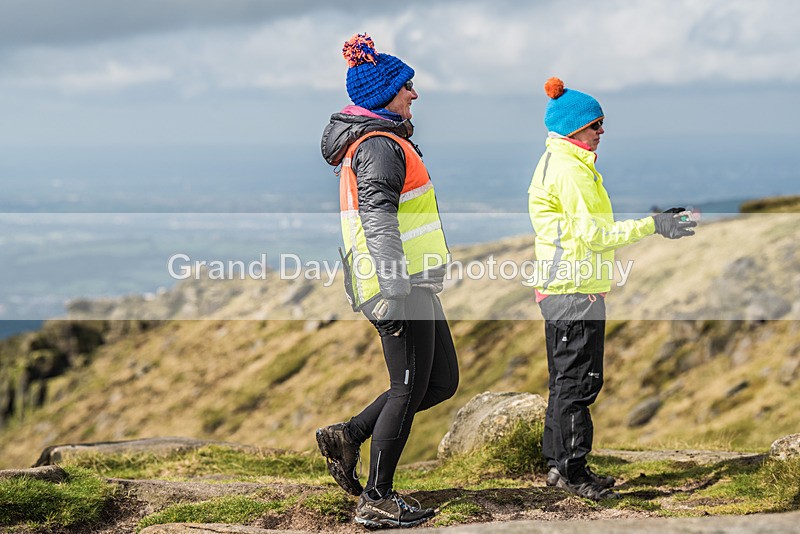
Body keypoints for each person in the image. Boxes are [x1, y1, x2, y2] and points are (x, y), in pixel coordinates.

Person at [527, 77, 696, 500]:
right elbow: (596, 236)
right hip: (574, 290)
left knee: (564, 382)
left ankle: (559, 466)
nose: (602, 130)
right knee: (579, 384)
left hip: (563, 288)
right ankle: (573, 473)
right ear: (574, 128)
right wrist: (654, 225)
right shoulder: (571, 172)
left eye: (602, 122)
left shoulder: (562, 162)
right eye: (596, 124)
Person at [317, 33, 459, 529]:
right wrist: (396, 288)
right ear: (384, 95)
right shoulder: (379, 146)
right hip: (397, 286)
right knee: (406, 389)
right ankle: (377, 498)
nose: (414, 94)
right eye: (406, 87)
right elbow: (378, 221)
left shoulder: (384, 141)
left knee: (440, 382)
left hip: (413, 284)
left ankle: (348, 435)